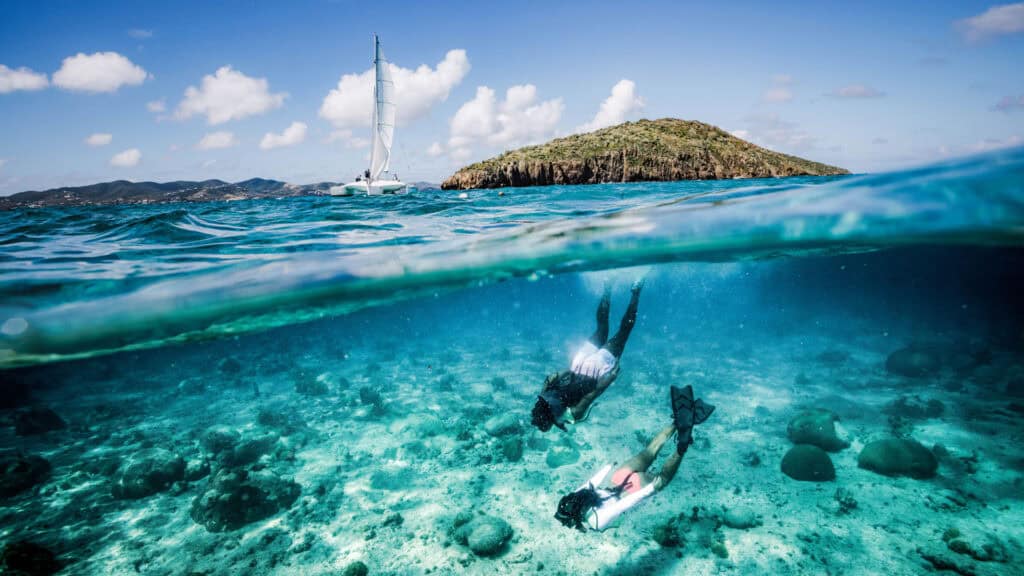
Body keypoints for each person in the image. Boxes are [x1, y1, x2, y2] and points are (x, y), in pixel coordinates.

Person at [553, 385, 715, 532]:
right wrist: (608, 468)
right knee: (651, 450)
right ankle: (677, 421)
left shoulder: (596, 522)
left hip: (631, 489)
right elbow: (592, 482)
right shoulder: (575, 496)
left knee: (663, 479)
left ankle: (682, 445)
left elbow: (623, 505)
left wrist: (651, 489)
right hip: (618, 477)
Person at [531, 280, 643, 432]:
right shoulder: (543, 395)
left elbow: (591, 395)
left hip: (594, 371)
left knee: (623, 333)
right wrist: (571, 370)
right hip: (578, 363)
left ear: (551, 422)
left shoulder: (571, 415)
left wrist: (610, 379)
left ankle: (636, 292)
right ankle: (607, 287)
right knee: (602, 328)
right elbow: (552, 377)